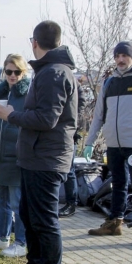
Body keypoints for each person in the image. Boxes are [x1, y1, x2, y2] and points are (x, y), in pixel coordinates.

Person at [0, 20, 78, 264]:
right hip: (36, 157)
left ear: (35, 42)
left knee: (44, 220)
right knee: (30, 217)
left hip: (47, 158)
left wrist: (12, 116)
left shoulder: (54, 73)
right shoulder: (50, 70)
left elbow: (46, 119)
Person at [84, 41, 132, 249]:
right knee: (117, 184)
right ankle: (114, 222)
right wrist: (90, 142)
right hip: (114, 144)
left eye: (124, 55)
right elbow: (99, 115)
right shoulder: (109, 83)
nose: (120, 60)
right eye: (117, 56)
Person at [0, 54, 31, 258]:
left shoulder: (28, 94)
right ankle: (3, 236)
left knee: (17, 202)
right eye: (9, 71)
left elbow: (29, 121)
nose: (12, 75)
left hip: (16, 154)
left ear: (23, 72)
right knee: (0, 199)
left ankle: (21, 241)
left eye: (17, 72)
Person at [58, 76, 90, 218]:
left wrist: (72, 127)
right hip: (56, 133)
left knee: (68, 171)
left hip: (69, 134)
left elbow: (80, 110)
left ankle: (71, 203)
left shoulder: (74, 86)